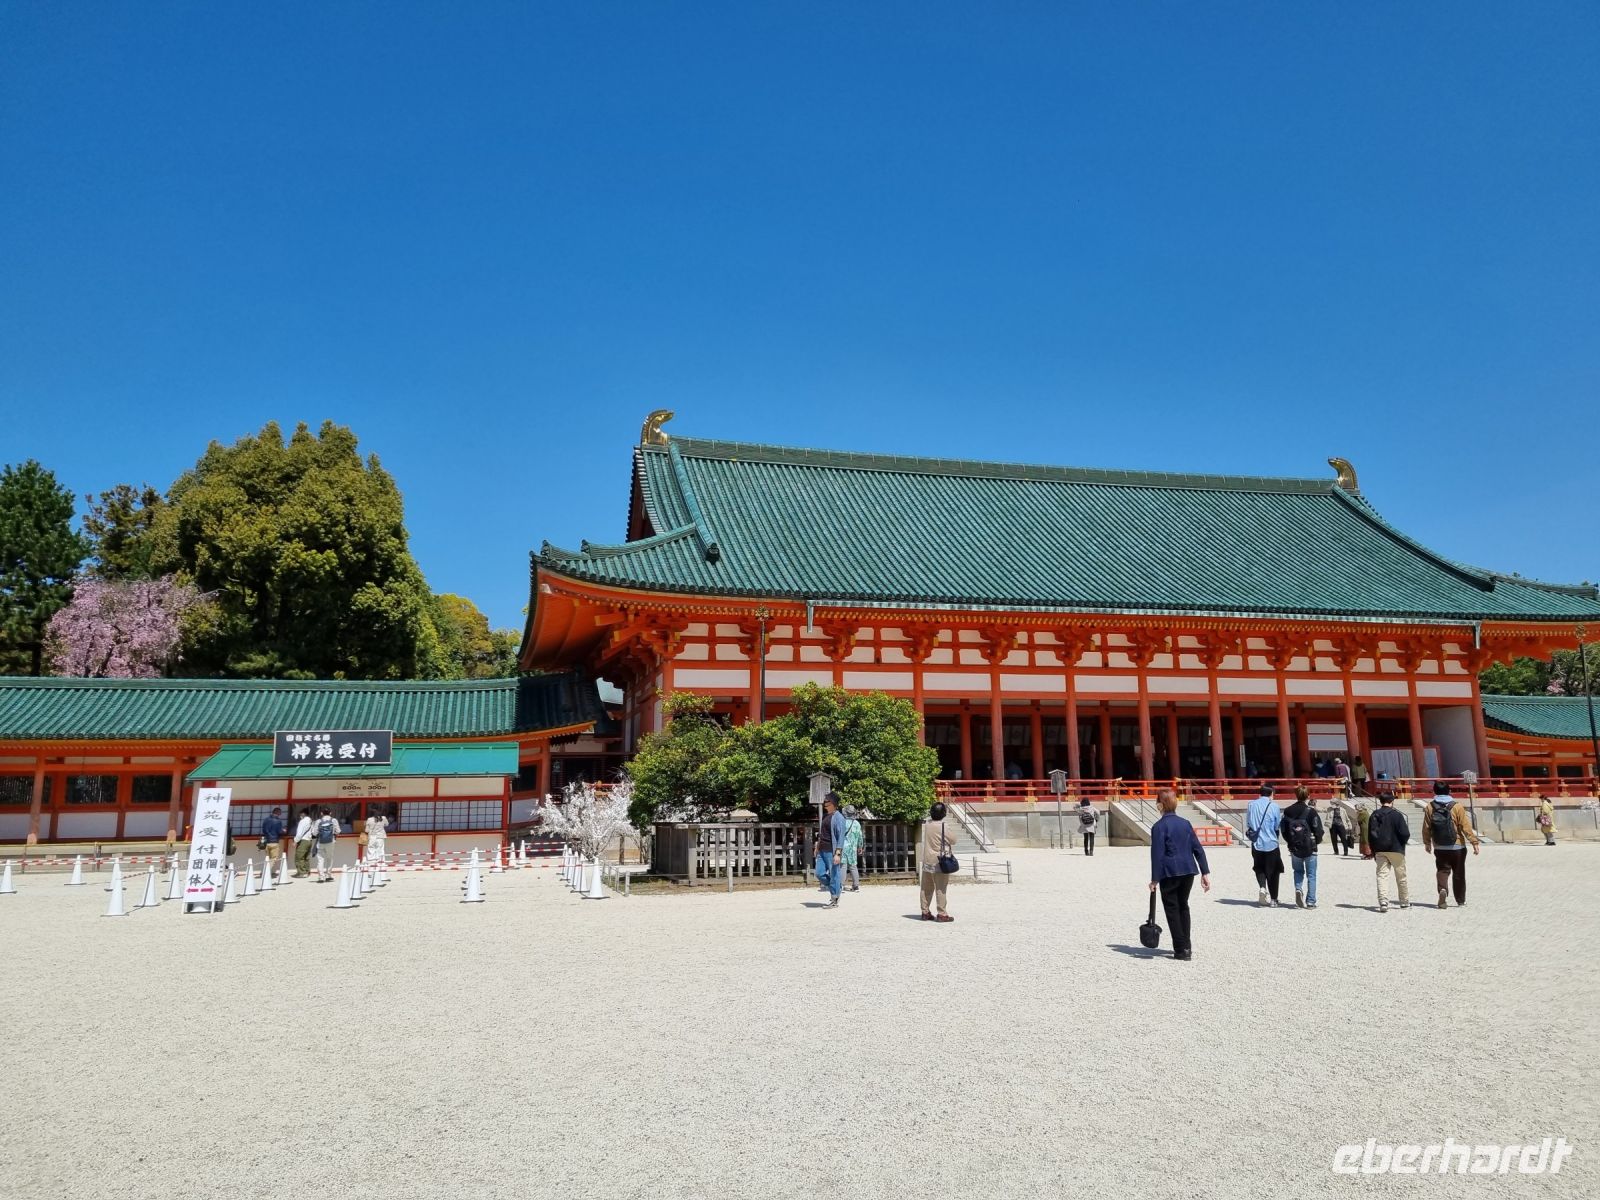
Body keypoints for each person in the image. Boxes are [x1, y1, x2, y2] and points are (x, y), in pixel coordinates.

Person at [1149, 788, 1211, 960]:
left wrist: (1154, 879)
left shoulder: (1159, 827)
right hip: (1188, 871)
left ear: (1159, 805)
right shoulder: (1185, 823)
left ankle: (1180, 948)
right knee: (1183, 906)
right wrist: (1205, 872)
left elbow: (1157, 854)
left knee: (1172, 909)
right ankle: (1187, 946)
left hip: (1169, 872)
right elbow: (1197, 848)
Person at [1420, 780, 1479, 908]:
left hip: (1440, 846)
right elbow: (1465, 826)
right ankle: (1460, 900)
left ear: (1434, 791)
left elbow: (1426, 827)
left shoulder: (1430, 807)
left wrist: (1427, 843)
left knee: (1442, 870)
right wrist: (1474, 842)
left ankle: (1443, 890)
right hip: (1457, 845)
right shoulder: (1457, 806)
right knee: (1459, 872)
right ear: (1449, 791)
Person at [1366, 793, 1410, 912]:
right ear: (1392, 801)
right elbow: (1405, 833)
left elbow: (1370, 834)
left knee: (1382, 875)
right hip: (1396, 848)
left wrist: (1373, 848)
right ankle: (1404, 901)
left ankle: (1383, 901)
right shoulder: (1397, 815)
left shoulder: (1374, 815)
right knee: (1401, 875)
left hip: (1380, 849)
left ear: (1380, 801)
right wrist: (1402, 843)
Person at [1280, 787, 1320, 909]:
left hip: (1294, 847)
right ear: (1308, 795)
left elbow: (1284, 829)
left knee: (1297, 871)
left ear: (1296, 795)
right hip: (1310, 846)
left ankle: (1298, 889)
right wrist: (1316, 841)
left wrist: (1290, 842)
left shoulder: (1287, 811)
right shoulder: (1311, 811)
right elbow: (1319, 829)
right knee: (1311, 874)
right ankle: (1311, 902)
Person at [1245, 785, 1283, 907]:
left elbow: (1249, 823)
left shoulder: (1251, 805)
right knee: (1274, 870)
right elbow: (1277, 825)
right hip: (1271, 842)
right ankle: (1273, 899)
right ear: (1271, 793)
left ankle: (1262, 887)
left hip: (1256, 842)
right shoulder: (1274, 806)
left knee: (1259, 867)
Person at [919, 801, 955, 922]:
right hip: (939, 861)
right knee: (940, 888)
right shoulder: (944, 826)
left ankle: (925, 912)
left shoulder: (927, 824)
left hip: (927, 859)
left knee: (926, 887)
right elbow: (954, 840)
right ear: (944, 813)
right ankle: (942, 913)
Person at [815, 793, 846, 908]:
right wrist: (817, 846)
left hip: (831, 851)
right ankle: (837, 887)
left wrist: (838, 854)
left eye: (827, 801)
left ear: (833, 803)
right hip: (822, 850)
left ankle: (834, 898)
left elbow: (841, 837)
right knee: (819, 873)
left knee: (834, 874)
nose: (824, 803)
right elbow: (822, 833)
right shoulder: (825, 816)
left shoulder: (839, 818)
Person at [841, 804, 865, 892]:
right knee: (853, 866)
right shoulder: (857, 824)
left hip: (843, 847)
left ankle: (841, 885)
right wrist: (860, 846)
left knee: (843, 866)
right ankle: (856, 886)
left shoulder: (842, 822)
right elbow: (860, 837)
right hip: (853, 848)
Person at [314, 806, 340, 883]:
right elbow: (338, 831)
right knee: (329, 858)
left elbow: (314, 833)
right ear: (330, 813)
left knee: (320, 859)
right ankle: (328, 875)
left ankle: (321, 877)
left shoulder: (318, 821)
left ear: (321, 813)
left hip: (320, 842)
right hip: (331, 842)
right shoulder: (334, 820)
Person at [292, 808, 316, 878]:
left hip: (303, 841)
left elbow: (300, 833)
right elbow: (313, 832)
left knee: (299, 857)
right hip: (309, 840)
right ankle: (307, 871)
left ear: (303, 813)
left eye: (300, 813)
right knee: (306, 857)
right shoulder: (311, 821)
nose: (299, 815)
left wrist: (295, 841)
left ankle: (301, 873)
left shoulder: (303, 821)